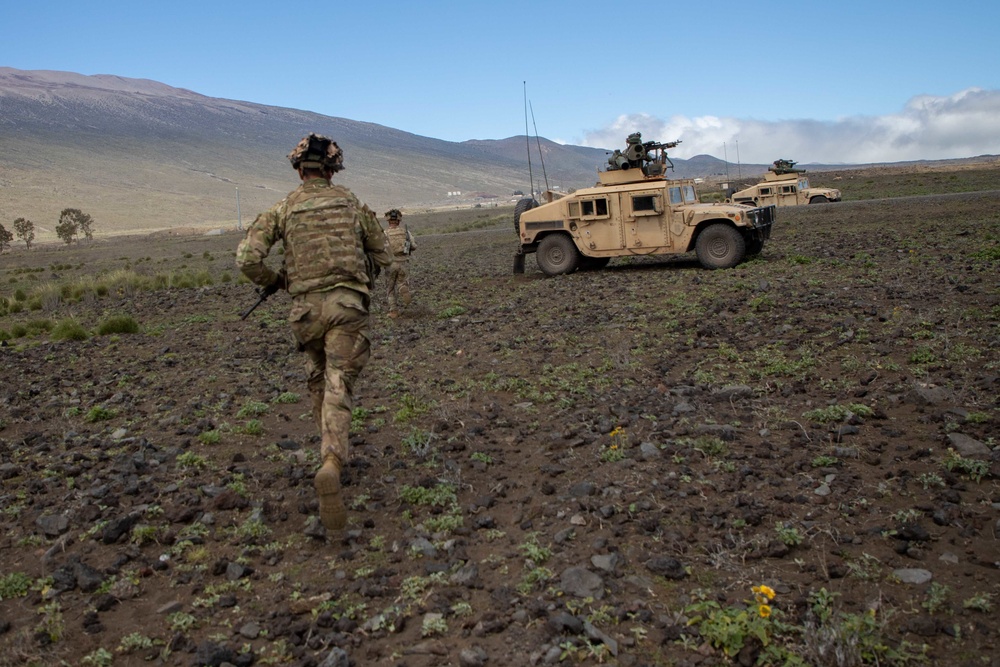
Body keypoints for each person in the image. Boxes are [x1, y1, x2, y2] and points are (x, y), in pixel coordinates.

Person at [236, 133, 391, 531]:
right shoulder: (351, 203)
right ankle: (332, 461)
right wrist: (362, 276)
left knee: (318, 378)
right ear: (331, 170)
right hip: (346, 307)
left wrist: (279, 279)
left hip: (305, 312)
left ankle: (328, 451)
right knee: (340, 383)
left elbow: (246, 257)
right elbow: (382, 254)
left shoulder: (284, 209)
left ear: (299, 170)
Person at [383, 208, 416, 318]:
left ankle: (394, 311)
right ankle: (403, 287)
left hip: (391, 263)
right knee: (402, 282)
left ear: (388, 221)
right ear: (399, 221)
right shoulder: (405, 232)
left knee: (390, 288)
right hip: (403, 263)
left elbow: (380, 249)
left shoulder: (385, 233)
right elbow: (414, 246)